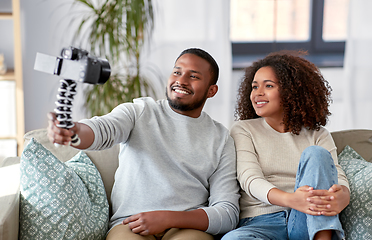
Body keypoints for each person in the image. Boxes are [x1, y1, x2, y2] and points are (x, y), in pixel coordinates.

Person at [47, 48, 240, 240]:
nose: (181, 81)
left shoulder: (221, 139)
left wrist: (169, 218)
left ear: (211, 90)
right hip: (129, 224)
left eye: (194, 76)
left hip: (186, 227)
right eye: (177, 72)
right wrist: (74, 131)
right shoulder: (139, 111)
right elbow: (103, 129)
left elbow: (227, 212)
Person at [221, 51, 350, 240]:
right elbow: (249, 179)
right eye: (254, 86)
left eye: (269, 86)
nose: (258, 93)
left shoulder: (318, 134)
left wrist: (344, 195)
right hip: (261, 222)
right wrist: (292, 200)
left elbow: (335, 174)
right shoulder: (243, 130)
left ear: (291, 91)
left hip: (307, 220)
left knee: (317, 154)